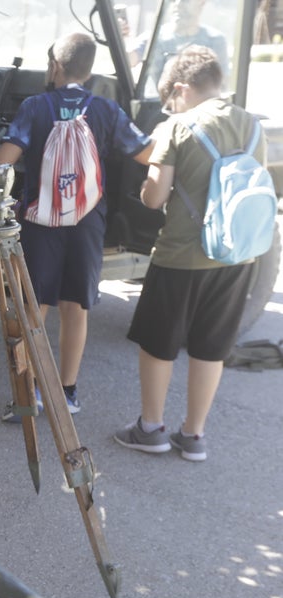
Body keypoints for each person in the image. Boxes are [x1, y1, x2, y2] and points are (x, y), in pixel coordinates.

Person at [0, 32, 152, 422]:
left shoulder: (36, 106)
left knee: (36, 308)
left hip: (42, 224)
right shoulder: (105, 109)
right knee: (76, 308)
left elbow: (4, 159)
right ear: (89, 71)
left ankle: (28, 395)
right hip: (87, 224)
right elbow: (145, 152)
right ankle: (67, 393)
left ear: (55, 66)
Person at [113, 45, 266, 462]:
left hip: (181, 256)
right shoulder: (253, 126)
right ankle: (194, 435)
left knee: (158, 343)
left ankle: (151, 429)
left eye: (169, 100)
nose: (169, 108)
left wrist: (147, 185)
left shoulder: (178, 128)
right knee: (210, 347)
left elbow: (154, 196)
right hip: (237, 256)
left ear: (181, 89)